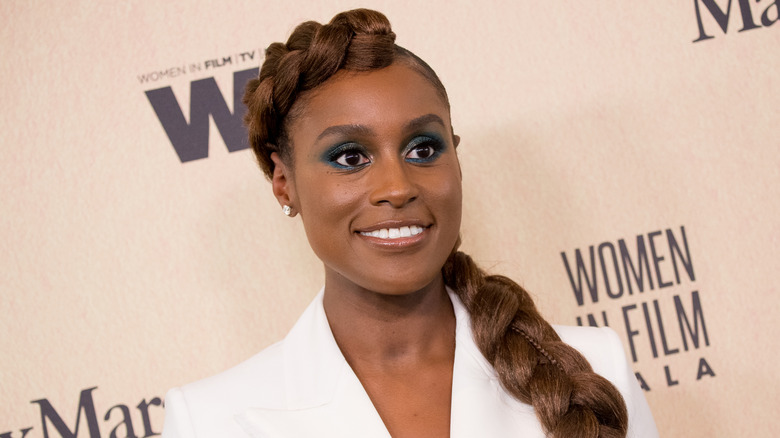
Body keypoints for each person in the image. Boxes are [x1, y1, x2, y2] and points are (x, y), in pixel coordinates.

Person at [161, 8, 658, 438]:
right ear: (283, 182)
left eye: (423, 148)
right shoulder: (209, 420)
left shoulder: (595, 366)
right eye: (349, 156)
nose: (398, 187)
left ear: (456, 159)